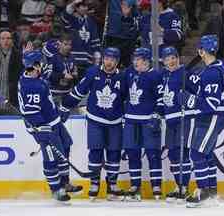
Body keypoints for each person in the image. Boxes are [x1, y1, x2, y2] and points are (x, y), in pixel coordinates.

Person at [60, 47, 126, 201]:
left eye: (112, 59)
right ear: (103, 58)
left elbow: (128, 98)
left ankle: (112, 186)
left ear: (117, 61)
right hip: (96, 120)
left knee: (114, 153)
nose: (109, 62)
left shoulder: (123, 77)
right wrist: (65, 105)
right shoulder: (92, 72)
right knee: (95, 152)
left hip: (115, 121)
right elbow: (79, 91)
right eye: (107, 58)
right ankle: (95, 183)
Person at [17, 50, 83, 203]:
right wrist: (41, 128)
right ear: (35, 66)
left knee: (66, 145)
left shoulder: (31, 75)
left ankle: (65, 182)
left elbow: (34, 70)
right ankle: (56, 189)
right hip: (42, 126)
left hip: (54, 121)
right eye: (40, 63)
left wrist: (27, 58)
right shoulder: (31, 86)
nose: (43, 65)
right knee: (51, 156)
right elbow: (31, 112)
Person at [178, 35, 224, 207]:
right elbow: (218, 92)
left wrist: (188, 100)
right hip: (220, 115)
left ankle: (203, 192)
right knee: (207, 154)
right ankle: (211, 191)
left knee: (196, 153)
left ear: (202, 51)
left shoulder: (211, 73)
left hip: (212, 117)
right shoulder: (222, 65)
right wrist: (195, 82)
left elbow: (210, 105)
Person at [123, 47, 163, 201]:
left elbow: (161, 99)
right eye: (134, 58)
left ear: (146, 60)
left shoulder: (155, 75)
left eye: (137, 59)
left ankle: (156, 185)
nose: (134, 61)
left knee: (153, 154)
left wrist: (157, 114)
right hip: (131, 120)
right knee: (133, 153)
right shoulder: (129, 73)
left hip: (148, 120)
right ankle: (135, 185)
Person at [160, 47, 192, 202]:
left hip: (182, 119)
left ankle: (184, 187)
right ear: (163, 61)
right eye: (167, 59)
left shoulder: (186, 74)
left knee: (182, 153)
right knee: (173, 154)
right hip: (169, 120)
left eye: (173, 57)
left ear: (178, 58)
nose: (170, 61)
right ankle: (177, 185)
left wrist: (187, 99)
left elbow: (197, 93)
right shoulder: (165, 75)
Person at [42, 33, 78, 105]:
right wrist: (62, 75)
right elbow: (48, 75)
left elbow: (75, 73)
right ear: (59, 44)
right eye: (65, 44)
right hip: (54, 94)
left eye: (70, 45)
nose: (68, 47)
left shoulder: (72, 58)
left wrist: (75, 74)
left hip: (67, 93)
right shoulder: (53, 58)